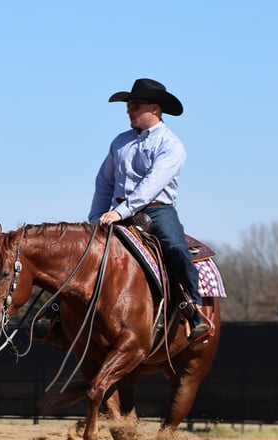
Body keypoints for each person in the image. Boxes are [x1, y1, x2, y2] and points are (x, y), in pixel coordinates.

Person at [88, 78, 209, 343]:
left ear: (155, 109)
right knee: (82, 250)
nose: (128, 110)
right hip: (117, 211)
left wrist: (121, 212)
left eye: (135, 105)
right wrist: (95, 218)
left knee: (174, 246)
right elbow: (104, 181)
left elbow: (151, 185)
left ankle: (193, 308)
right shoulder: (120, 142)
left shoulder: (171, 145)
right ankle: (62, 316)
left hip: (157, 210)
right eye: (129, 105)